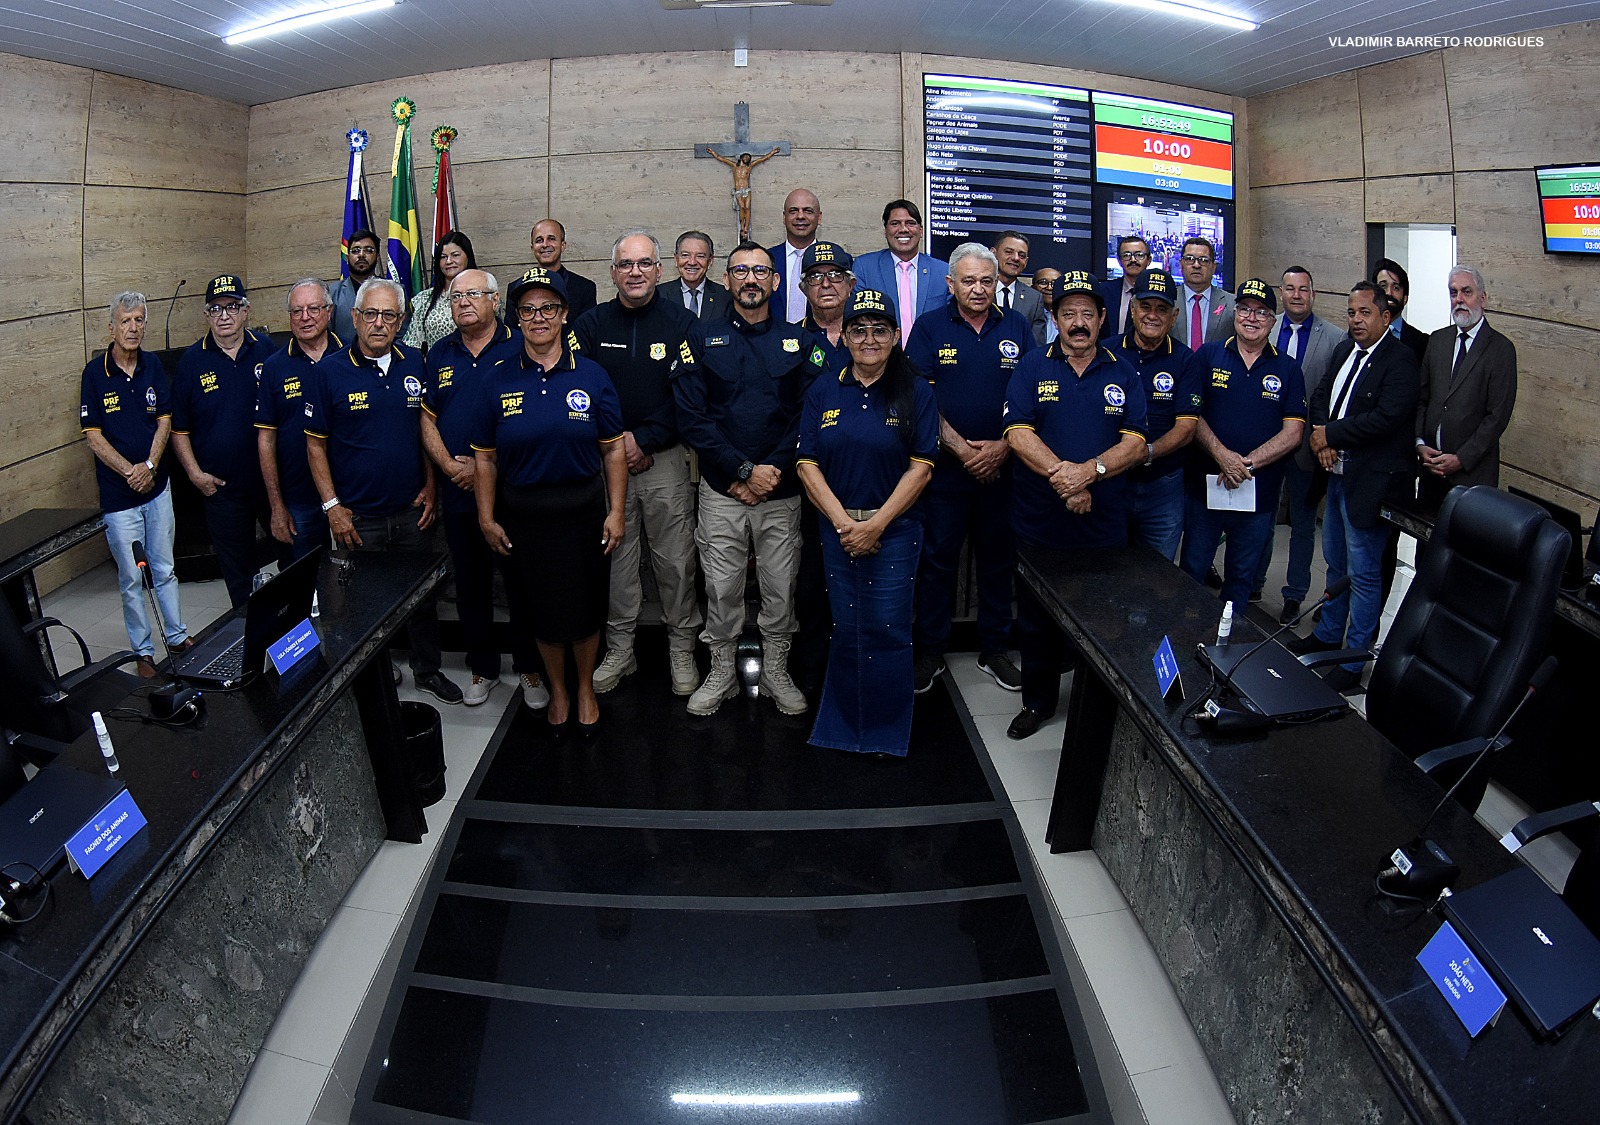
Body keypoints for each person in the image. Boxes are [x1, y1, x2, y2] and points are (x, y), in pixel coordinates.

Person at [672, 241, 827, 716]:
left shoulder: (801, 342)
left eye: (761, 270)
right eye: (741, 271)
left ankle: (777, 667)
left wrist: (769, 472)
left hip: (781, 493)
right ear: (728, 280)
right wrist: (741, 472)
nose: (751, 279)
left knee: (781, 586)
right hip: (722, 491)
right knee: (721, 587)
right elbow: (691, 415)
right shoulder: (701, 337)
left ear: (776, 281)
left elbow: (809, 414)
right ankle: (721, 669)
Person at [472, 268, 626, 735]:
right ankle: (557, 689)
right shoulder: (497, 380)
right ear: (516, 318)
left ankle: (584, 687)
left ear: (563, 316)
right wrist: (485, 517)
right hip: (523, 516)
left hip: (582, 512)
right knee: (539, 607)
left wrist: (616, 511)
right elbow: (484, 460)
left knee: (584, 605)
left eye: (548, 309)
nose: (538, 318)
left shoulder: (593, 375)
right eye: (527, 310)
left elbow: (613, 447)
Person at [303, 277, 462, 704]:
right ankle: (377, 671)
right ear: (354, 318)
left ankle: (427, 670)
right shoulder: (330, 372)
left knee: (422, 600)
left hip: (412, 510)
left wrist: (431, 486)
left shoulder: (415, 362)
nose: (378, 323)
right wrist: (332, 507)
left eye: (389, 315)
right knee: (363, 603)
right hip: (358, 516)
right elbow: (315, 445)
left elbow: (424, 430)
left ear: (402, 321)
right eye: (370, 314)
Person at [1002, 272, 1147, 739]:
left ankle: (1094, 709)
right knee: (1036, 622)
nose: (1078, 323)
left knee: (1103, 618)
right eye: (1069, 314)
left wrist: (1091, 473)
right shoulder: (1030, 366)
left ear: (1103, 318)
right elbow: (1018, 433)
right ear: (1054, 318)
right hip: (1039, 519)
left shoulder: (1124, 370)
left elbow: (1137, 440)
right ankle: (1038, 704)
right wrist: (1066, 478)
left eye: (1088, 313)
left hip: (1102, 522)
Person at [796, 289, 937, 757]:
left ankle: (884, 732)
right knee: (848, 627)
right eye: (859, 329)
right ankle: (842, 727)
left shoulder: (915, 389)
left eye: (880, 329)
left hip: (895, 530)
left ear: (896, 336)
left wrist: (875, 525)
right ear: (847, 335)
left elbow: (922, 466)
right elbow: (806, 463)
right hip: (837, 529)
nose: (869, 338)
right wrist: (843, 523)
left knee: (888, 628)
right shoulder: (824, 388)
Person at [572, 231, 703, 697]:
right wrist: (618, 442)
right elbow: (579, 392)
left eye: (644, 263)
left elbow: (687, 397)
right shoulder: (589, 325)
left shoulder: (682, 323)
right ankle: (621, 650)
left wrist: (643, 439)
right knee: (617, 560)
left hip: (664, 461)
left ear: (659, 270)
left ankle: (681, 648)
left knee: (676, 562)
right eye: (625, 264)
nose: (635, 272)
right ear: (612, 272)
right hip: (606, 463)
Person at [906, 242, 1034, 695]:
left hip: (1004, 470)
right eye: (968, 280)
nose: (978, 289)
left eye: (986, 280)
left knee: (998, 562)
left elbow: (1032, 395)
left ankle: (995, 649)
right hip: (945, 472)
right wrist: (964, 451)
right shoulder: (929, 327)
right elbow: (919, 399)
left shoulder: (1017, 325)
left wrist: (1002, 447)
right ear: (950, 283)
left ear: (997, 282)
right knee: (938, 561)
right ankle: (931, 651)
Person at [420, 268, 541, 708]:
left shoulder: (520, 344)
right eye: (455, 297)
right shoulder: (439, 353)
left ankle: (529, 668)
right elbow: (426, 418)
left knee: (519, 583)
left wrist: (487, 468)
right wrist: (451, 465)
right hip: (457, 492)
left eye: (473, 295)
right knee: (470, 586)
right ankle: (483, 667)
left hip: (511, 489)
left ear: (494, 300)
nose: (463, 303)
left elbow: (534, 414)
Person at [1295, 281, 1420, 693]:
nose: (1356, 321)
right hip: (1335, 474)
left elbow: (1386, 418)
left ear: (1386, 317)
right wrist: (1320, 435)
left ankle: (1352, 660)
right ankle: (1329, 636)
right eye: (1351, 313)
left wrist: (1331, 434)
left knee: (1364, 574)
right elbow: (1319, 395)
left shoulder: (1400, 361)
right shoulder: (1343, 350)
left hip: (1370, 482)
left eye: (1365, 313)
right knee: (1335, 562)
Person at [1178, 279, 1306, 612]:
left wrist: (1245, 464)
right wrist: (1223, 456)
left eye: (1261, 312)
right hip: (1206, 490)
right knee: (1191, 570)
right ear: (1234, 314)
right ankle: (1183, 636)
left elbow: (1293, 432)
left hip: (1256, 492)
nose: (1251, 318)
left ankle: (1227, 648)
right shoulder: (1208, 355)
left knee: (1241, 579)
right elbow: (1191, 414)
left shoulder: (1288, 368)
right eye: (1245, 309)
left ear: (1272, 321)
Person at [79, 292, 189, 677]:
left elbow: (165, 419)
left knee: (164, 567)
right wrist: (131, 471)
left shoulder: (154, 365)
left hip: (158, 489)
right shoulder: (94, 373)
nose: (133, 328)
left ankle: (176, 636)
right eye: (126, 321)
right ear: (111, 327)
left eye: (140, 320)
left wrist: (150, 465)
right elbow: (93, 435)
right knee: (131, 578)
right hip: (119, 499)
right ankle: (143, 653)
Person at [170, 274, 277, 607]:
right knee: (238, 571)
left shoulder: (267, 349)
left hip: (270, 483)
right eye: (215, 309)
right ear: (207, 315)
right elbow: (179, 429)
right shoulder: (192, 361)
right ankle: (248, 634)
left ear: (246, 310)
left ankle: (294, 629)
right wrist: (194, 474)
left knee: (291, 554)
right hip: (222, 489)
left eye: (232, 306)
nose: (224, 315)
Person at [1258, 265, 1345, 622]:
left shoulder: (1335, 337)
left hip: (1309, 448)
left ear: (1314, 294)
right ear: (1281, 292)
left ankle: (1294, 594)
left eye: (1303, 289)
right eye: (1290, 288)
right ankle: (1252, 582)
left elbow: (1334, 394)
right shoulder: (1264, 326)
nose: (1296, 295)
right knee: (1262, 517)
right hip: (1266, 441)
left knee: (1304, 525)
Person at [1107, 269, 1201, 560]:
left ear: (1174, 317)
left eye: (1162, 309)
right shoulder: (1106, 352)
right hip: (1111, 482)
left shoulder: (1186, 360)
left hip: (1163, 486)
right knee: (1106, 569)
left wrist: (1146, 452)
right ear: (1133, 309)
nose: (1152, 315)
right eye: (1145, 306)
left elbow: (1187, 427)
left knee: (1158, 576)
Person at [257, 278, 344, 565]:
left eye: (313, 309)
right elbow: (266, 440)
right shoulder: (274, 367)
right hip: (299, 498)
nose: (305, 317)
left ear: (329, 312)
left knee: (359, 581)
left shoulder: (351, 357)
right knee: (306, 585)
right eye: (297, 311)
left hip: (351, 495)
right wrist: (276, 505)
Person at [1415, 265, 1518, 505]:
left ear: (1483, 299)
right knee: (1428, 542)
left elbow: (1497, 417)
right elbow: (1422, 398)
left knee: (1465, 542)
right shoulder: (1438, 340)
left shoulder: (1501, 349)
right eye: (1453, 293)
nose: (1458, 299)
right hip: (1431, 471)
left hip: (1472, 476)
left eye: (1466, 292)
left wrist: (1461, 458)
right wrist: (1420, 444)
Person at [851, 199, 949, 345]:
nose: (903, 229)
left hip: (930, 359)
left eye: (910, 223)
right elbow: (859, 320)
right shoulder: (865, 267)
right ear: (885, 231)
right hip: (882, 359)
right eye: (895, 223)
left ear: (921, 231)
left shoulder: (943, 271)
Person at [402, 231, 476, 350]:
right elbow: (413, 345)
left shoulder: (483, 294)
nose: (448, 261)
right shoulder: (424, 299)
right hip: (435, 366)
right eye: (443, 257)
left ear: (468, 256)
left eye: (455, 255)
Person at [767, 188, 821, 323]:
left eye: (808, 211)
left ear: (819, 217)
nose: (800, 216)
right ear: (784, 217)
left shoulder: (836, 260)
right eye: (793, 211)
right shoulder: (766, 259)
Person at [529, 219, 598, 318]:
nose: (545, 244)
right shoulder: (515, 289)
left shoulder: (585, 288)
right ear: (533, 248)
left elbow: (588, 330)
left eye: (551, 238)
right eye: (539, 240)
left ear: (563, 245)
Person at [991, 231, 1051, 345]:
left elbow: (1036, 345)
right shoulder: (980, 290)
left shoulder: (1034, 298)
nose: (1016, 258)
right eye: (1009, 252)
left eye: (1022, 255)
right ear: (993, 253)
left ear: (1026, 262)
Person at [1177, 237, 1234, 349]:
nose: (1196, 265)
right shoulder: (1168, 300)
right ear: (1181, 264)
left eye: (1203, 260)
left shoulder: (1231, 304)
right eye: (1190, 259)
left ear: (1213, 267)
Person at [1372, 257, 1429, 364]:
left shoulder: (1422, 343)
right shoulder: (1359, 333)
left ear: (1405, 298)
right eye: (1383, 286)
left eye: (1396, 287)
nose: (1389, 292)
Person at [1100, 235, 1152, 339]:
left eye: (1139, 255)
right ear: (1119, 261)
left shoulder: (1157, 293)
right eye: (1126, 255)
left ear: (1149, 260)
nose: (1133, 260)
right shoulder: (1104, 291)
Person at [330, 227, 378, 339]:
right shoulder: (332, 293)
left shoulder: (394, 291)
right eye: (355, 250)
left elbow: (401, 337)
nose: (361, 255)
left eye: (368, 250)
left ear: (377, 257)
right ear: (347, 258)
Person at [672, 230, 730, 320]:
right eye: (685, 255)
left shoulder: (726, 298)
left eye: (700, 256)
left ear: (710, 261)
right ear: (676, 259)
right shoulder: (659, 295)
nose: (692, 262)